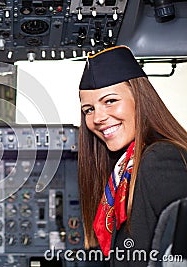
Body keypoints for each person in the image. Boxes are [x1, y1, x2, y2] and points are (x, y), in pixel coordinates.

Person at [77, 45, 187, 266]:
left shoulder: (159, 158)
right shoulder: (122, 168)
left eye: (110, 101)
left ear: (140, 99)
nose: (97, 118)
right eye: (89, 109)